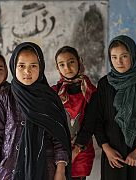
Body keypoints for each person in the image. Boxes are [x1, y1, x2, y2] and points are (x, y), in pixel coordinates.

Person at [0, 42, 72, 180]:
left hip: (45, 171)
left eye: (33, 66)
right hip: (9, 171)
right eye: (22, 66)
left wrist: (60, 171)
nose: (27, 71)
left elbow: (59, 139)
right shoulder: (5, 97)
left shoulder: (49, 98)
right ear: (13, 66)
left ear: (41, 67)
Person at [94, 35, 136, 180]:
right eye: (114, 57)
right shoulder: (104, 84)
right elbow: (97, 120)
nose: (119, 61)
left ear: (133, 55)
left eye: (124, 56)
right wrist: (106, 149)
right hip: (113, 154)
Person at [52, 46, 96, 180]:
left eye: (71, 62)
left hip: (82, 150)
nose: (67, 67)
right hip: (58, 151)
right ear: (57, 68)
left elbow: (91, 123)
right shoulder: (54, 92)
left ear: (79, 61)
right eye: (62, 64)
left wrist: (76, 150)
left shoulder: (90, 91)